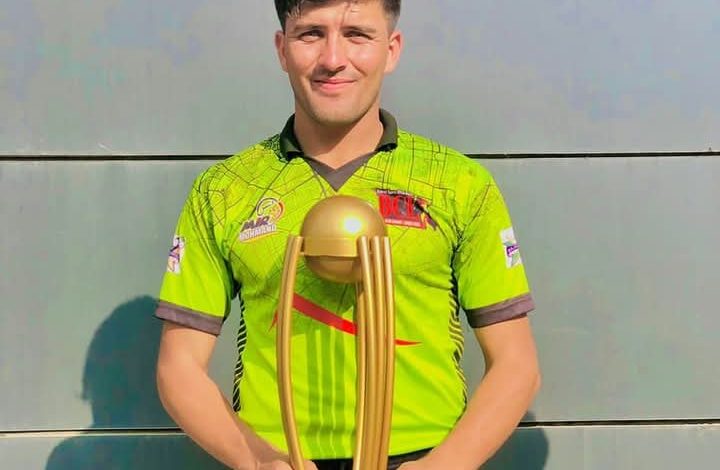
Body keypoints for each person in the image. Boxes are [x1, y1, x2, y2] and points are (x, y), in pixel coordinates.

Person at [155, 1, 541, 469]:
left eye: (357, 34)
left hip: (424, 455)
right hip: (279, 457)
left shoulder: (458, 184)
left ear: (391, 49)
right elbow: (179, 366)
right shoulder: (225, 190)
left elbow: (516, 364)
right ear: (282, 49)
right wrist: (258, 461)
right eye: (310, 34)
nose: (333, 58)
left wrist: (442, 466)